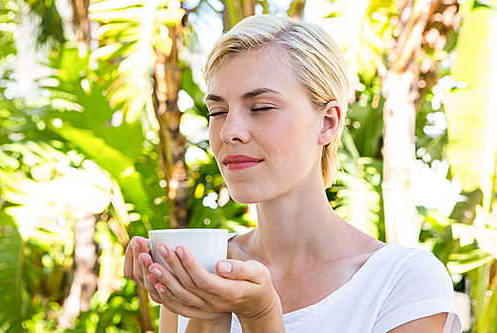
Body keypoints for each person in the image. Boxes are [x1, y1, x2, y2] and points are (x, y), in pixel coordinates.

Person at [124, 15, 462, 333]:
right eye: (218, 111)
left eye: (260, 108)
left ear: (328, 123)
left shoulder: (403, 281)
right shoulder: (198, 269)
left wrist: (261, 318)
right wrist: (207, 319)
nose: (229, 132)